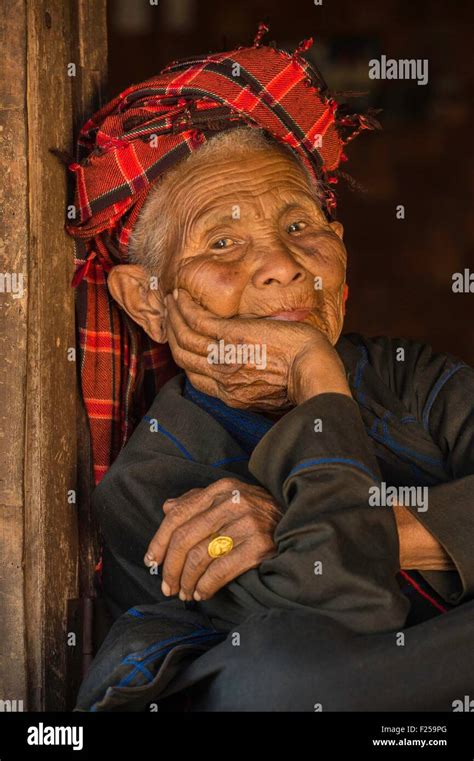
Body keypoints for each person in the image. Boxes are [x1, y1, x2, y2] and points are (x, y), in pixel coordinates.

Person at [66, 33, 474, 712]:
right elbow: (343, 602)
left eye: (299, 227)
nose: (282, 264)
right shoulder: (155, 482)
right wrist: (316, 374)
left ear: (338, 253)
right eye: (222, 242)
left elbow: (330, 558)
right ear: (148, 301)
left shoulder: (412, 380)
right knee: (280, 677)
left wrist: (302, 522)